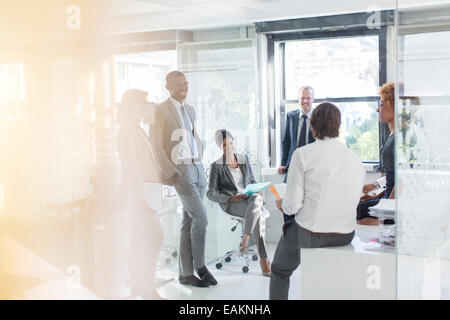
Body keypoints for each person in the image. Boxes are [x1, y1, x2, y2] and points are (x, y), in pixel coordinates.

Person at [269, 102, 365, 300]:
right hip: (345, 234)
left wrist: (283, 204)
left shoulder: (302, 154)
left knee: (279, 271)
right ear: (338, 126)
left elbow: (292, 206)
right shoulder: (355, 158)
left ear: (312, 125)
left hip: (310, 233)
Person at [150, 71, 216, 288]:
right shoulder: (160, 111)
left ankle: (185, 274)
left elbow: (195, 138)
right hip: (181, 172)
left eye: (185, 83)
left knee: (188, 221)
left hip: (197, 168)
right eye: (178, 84)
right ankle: (201, 267)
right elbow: (156, 146)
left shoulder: (190, 109)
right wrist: (171, 172)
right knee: (201, 219)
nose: (183, 87)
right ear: (167, 87)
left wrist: (199, 162)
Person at [116, 89, 164, 300]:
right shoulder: (126, 130)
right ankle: (145, 288)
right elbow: (131, 167)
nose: (147, 108)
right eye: (143, 104)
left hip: (144, 195)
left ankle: (141, 288)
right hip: (139, 198)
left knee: (139, 242)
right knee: (155, 238)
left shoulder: (137, 128)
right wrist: (141, 197)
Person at [207, 129, 271, 277]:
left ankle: (246, 238)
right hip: (233, 202)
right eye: (224, 145)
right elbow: (210, 193)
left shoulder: (243, 158)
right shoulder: (216, 166)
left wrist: (257, 189)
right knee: (259, 214)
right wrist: (230, 198)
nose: (229, 147)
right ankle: (264, 260)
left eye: (230, 143)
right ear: (219, 147)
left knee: (256, 198)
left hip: (249, 198)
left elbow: (253, 181)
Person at [357, 82, 396, 225]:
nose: (377, 110)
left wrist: (384, 216)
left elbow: (400, 182)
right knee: (359, 207)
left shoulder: (399, 138)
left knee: (359, 213)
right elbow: (391, 179)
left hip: (393, 204)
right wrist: (375, 195)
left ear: (394, 106)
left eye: (382, 105)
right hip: (387, 197)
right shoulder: (392, 136)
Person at [278, 86, 316, 222]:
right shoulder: (291, 116)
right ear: (298, 99)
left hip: (311, 165)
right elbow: (286, 142)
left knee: (306, 199)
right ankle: (289, 231)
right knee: (287, 197)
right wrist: (283, 163)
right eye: (302, 98)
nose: (305, 101)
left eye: (308, 98)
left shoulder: (318, 117)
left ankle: (304, 230)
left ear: (313, 99)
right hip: (293, 163)